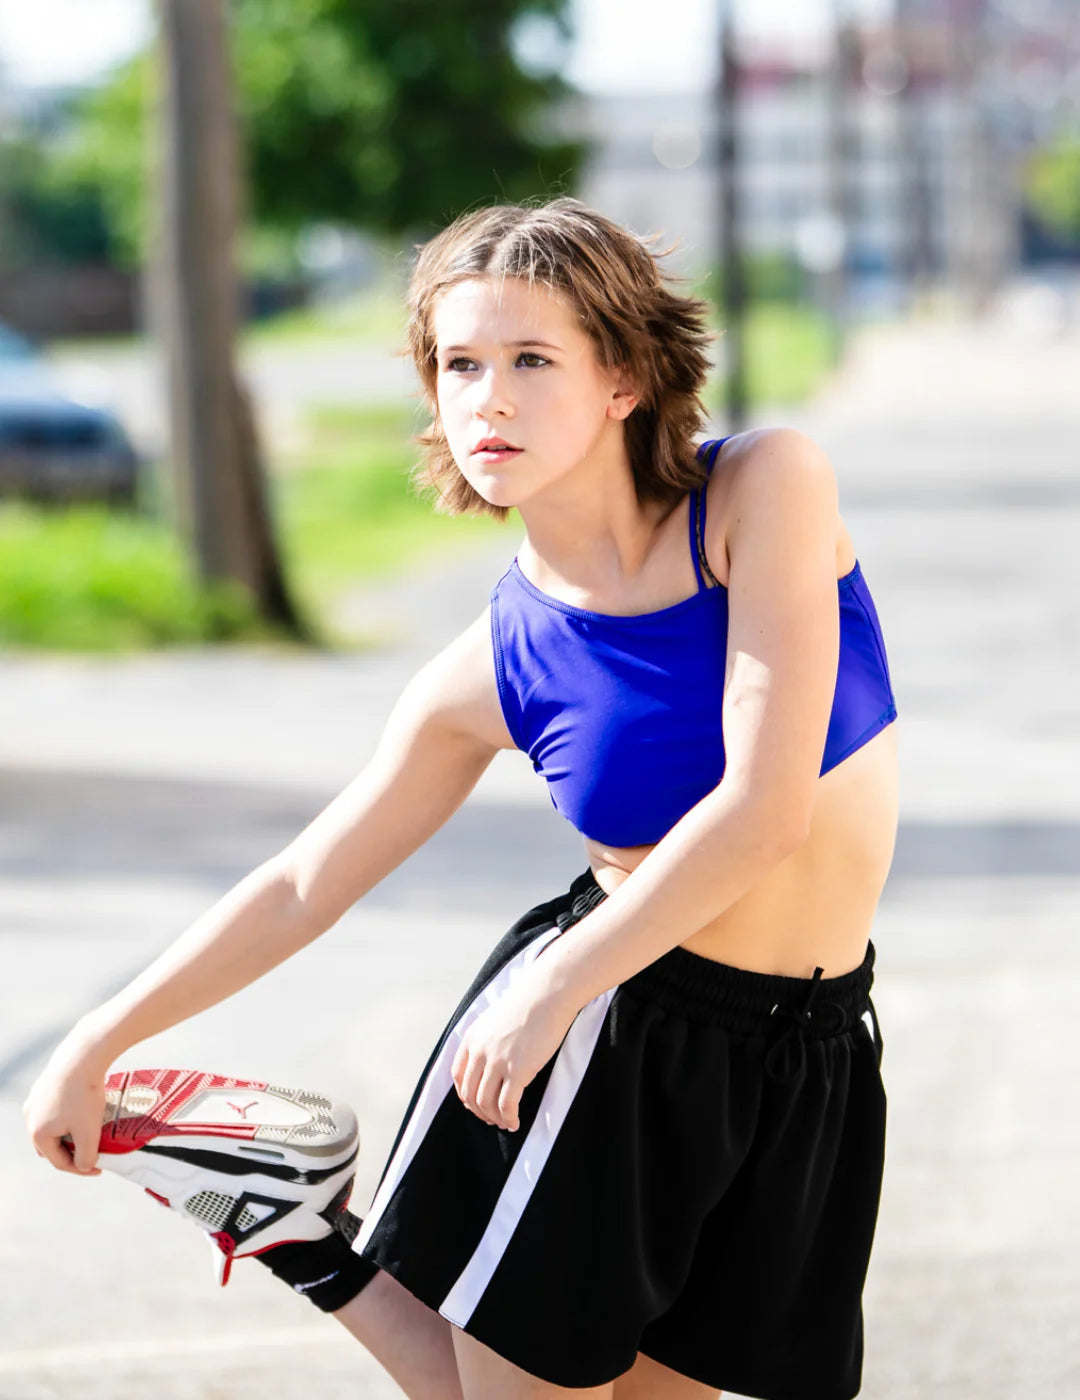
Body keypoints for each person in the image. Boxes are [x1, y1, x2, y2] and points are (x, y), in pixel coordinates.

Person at [24, 197, 899, 1400]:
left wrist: (554, 979)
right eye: (460, 364)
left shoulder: (761, 490)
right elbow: (303, 881)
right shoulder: (496, 662)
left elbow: (765, 807)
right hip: (604, 1029)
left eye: (532, 359)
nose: (488, 398)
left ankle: (293, 1221)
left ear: (624, 377)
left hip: (806, 1047)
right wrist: (95, 1039)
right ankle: (298, 1226)